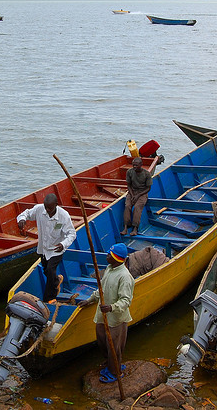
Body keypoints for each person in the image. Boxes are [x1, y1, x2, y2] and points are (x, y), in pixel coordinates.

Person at [78, 243, 134, 383]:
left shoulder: (125, 277)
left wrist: (112, 307)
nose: (107, 256)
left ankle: (115, 372)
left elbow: (126, 300)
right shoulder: (109, 269)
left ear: (116, 258)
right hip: (103, 316)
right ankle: (109, 363)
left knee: (114, 347)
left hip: (116, 319)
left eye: (109, 255)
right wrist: (90, 300)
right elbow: (101, 290)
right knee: (102, 340)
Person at [16, 193, 76, 303]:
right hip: (43, 248)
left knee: (50, 270)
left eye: (50, 208)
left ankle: (49, 298)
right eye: (46, 207)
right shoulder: (39, 209)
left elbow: (72, 233)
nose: (48, 210)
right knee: (46, 270)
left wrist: (63, 244)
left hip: (56, 249)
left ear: (56, 205)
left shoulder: (64, 216)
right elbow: (26, 213)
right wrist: (22, 219)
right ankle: (56, 281)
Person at [120, 157, 152, 236]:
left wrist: (138, 195)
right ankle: (126, 227)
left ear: (141, 165)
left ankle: (135, 228)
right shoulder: (130, 172)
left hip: (142, 193)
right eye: (133, 165)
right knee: (127, 206)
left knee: (137, 207)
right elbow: (129, 185)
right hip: (132, 192)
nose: (134, 167)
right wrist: (132, 194)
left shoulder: (146, 174)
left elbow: (148, 188)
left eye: (136, 165)